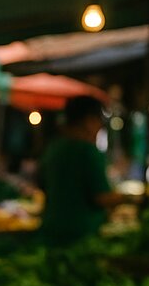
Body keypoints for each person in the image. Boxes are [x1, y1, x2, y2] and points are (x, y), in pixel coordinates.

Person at [38, 95, 128, 245]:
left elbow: (42, 183)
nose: (99, 127)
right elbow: (102, 197)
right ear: (89, 121)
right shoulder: (88, 152)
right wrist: (129, 199)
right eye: (99, 121)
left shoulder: (53, 148)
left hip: (50, 230)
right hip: (80, 237)